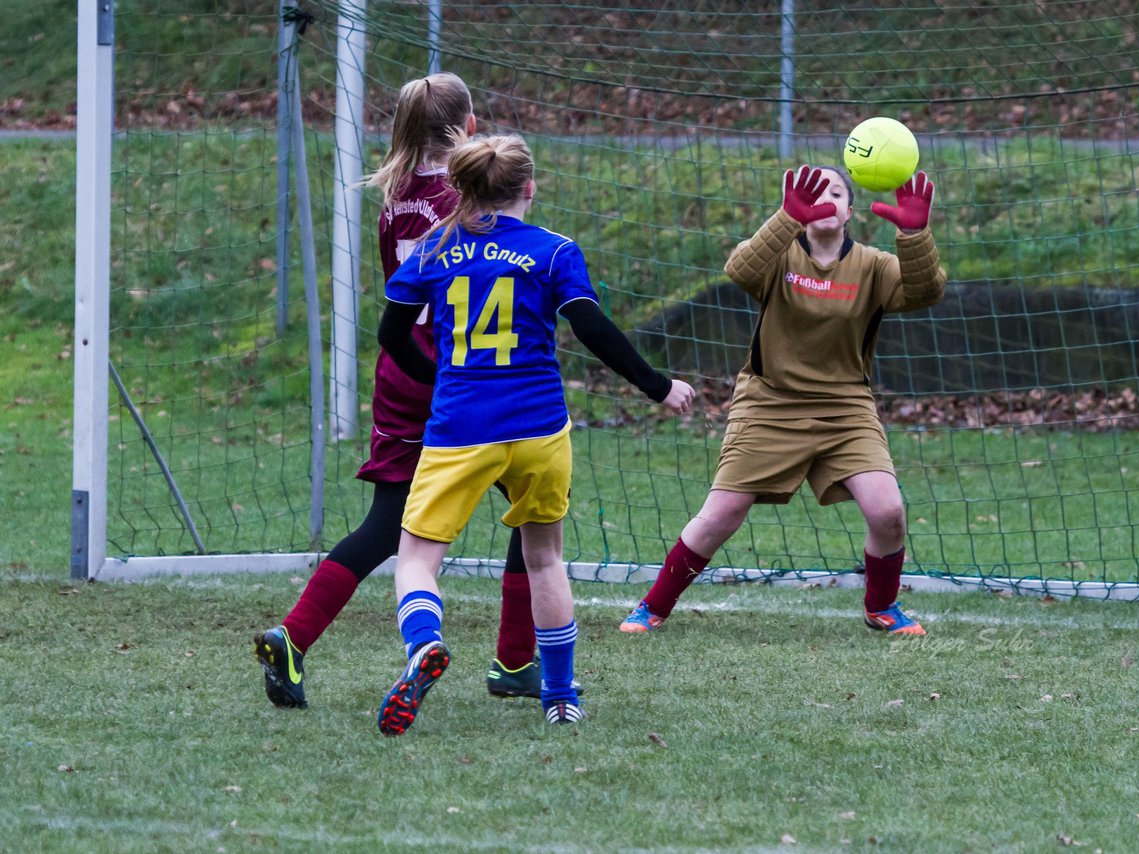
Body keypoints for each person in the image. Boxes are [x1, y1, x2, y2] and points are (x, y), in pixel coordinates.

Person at [374, 132, 695, 733]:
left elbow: (391, 337)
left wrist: (440, 377)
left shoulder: (431, 251)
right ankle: (560, 697)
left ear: (463, 187)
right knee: (544, 559)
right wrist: (656, 385)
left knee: (416, 559)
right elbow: (593, 328)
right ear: (530, 188)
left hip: (462, 423)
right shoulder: (553, 252)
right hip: (539, 425)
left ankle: (423, 644)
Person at [253, 73, 552, 709]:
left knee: (389, 524)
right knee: (532, 503)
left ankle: (294, 634)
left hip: (401, 370)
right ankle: (516, 660)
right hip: (466, 371)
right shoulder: (469, 195)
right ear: (470, 127)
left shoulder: (396, 194)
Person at [619, 165, 945, 637]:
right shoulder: (781, 254)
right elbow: (740, 269)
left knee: (887, 512)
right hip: (769, 402)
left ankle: (882, 608)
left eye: (837, 192)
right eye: (816, 193)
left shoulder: (873, 266)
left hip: (845, 408)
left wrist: (915, 235)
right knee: (722, 513)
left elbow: (926, 291)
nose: (827, 198)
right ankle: (652, 607)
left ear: (850, 211)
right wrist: (785, 219)